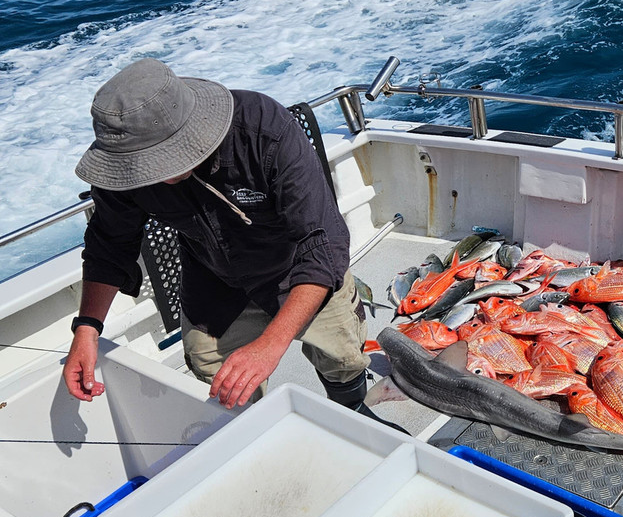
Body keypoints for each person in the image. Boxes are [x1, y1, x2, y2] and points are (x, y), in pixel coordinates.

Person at [63, 58, 389, 422]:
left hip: (298, 267)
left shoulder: (265, 128)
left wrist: (270, 345)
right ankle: (255, 433)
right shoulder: (123, 167)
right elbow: (109, 244)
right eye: (143, 163)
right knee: (217, 381)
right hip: (214, 282)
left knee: (342, 354)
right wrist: (88, 328)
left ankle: (353, 409)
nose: (153, 172)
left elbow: (322, 244)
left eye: (161, 158)